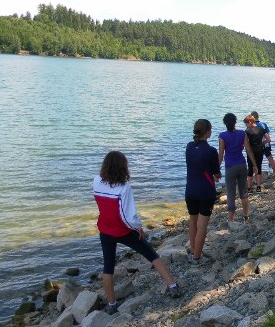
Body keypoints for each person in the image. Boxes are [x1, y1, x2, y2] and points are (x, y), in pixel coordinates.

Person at [93, 151, 181, 314]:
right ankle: (172, 285)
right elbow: (127, 215)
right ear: (123, 167)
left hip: (105, 229)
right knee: (152, 255)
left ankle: (111, 304)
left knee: (108, 267)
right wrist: (138, 228)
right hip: (123, 230)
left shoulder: (97, 181)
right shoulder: (124, 187)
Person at [185, 119, 221, 264]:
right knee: (202, 226)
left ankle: (194, 252)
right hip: (206, 191)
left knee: (193, 222)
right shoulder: (211, 151)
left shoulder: (189, 146)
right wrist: (216, 175)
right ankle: (196, 258)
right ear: (207, 132)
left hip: (190, 190)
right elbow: (216, 172)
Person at [219, 113, 257, 224]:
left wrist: (216, 169)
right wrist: (254, 165)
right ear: (235, 122)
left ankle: (231, 219)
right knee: (243, 192)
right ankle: (246, 215)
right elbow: (249, 150)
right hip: (241, 165)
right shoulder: (242, 133)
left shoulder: (222, 136)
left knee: (231, 194)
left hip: (230, 167)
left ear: (225, 123)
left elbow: (221, 154)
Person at [250, 111, 275, 179]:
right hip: (266, 144)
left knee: (255, 163)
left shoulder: (252, 126)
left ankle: (252, 179)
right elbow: (267, 135)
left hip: (257, 146)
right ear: (258, 116)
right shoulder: (263, 124)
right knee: (271, 161)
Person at [244, 114, 265, 192]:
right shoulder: (261, 129)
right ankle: (258, 187)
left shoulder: (247, 131)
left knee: (250, 168)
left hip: (251, 150)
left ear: (249, 122)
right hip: (260, 149)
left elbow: (245, 142)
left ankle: (249, 188)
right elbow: (268, 139)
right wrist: (262, 144)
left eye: (246, 124)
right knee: (259, 167)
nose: (246, 126)